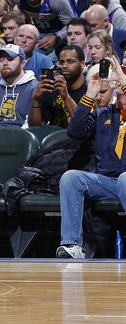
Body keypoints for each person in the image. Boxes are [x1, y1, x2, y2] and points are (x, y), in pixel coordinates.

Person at [57, 57, 126, 259]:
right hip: (108, 182)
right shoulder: (104, 114)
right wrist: (89, 95)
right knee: (71, 178)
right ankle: (72, 245)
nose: (122, 96)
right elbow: (75, 132)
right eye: (120, 92)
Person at [0, 43, 37, 128]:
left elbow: (31, 126)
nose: (5, 63)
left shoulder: (34, 88)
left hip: (22, 138)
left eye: (10, 59)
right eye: (1, 60)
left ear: (23, 63)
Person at [29, 44, 88, 128]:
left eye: (70, 61)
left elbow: (84, 126)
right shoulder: (51, 89)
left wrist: (66, 97)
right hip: (53, 138)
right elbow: (35, 127)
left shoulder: (89, 92)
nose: (64, 66)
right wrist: (35, 99)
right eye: (61, 62)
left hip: (78, 140)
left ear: (82, 64)